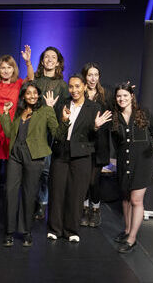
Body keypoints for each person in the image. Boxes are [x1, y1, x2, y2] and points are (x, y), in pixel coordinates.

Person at [47, 74, 111, 243]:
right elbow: (54, 130)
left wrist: (96, 128)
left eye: (77, 86)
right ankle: (55, 228)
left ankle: (71, 230)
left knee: (76, 194)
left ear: (84, 87)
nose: (74, 90)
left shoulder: (93, 107)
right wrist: (59, 117)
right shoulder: (62, 103)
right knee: (57, 191)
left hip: (82, 154)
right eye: (71, 86)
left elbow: (94, 138)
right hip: (61, 151)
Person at [0, 83, 58, 247]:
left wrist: (59, 115)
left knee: (29, 193)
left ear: (38, 95)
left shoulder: (45, 111)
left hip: (34, 156)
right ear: (23, 96)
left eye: (35, 93)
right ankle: (9, 232)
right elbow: (10, 133)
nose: (32, 96)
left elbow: (56, 132)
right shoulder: (19, 111)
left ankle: (26, 232)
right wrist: (5, 113)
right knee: (10, 192)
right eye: (28, 93)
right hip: (15, 155)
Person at [0, 46, 34, 217]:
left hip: (12, 133)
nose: (6, 70)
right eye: (3, 67)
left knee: (11, 172)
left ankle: (8, 203)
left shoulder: (18, 84)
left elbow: (31, 79)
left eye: (9, 67)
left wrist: (28, 62)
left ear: (13, 69)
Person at [109, 83, 153, 253]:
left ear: (131, 96)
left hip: (143, 163)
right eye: (119, 96)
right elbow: (116, 144)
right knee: (125, 198)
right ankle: (127, 230)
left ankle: (132, 239)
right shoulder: (114, 117)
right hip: (125, 163)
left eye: (125, 95)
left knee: (136, 200)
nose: (122, 99)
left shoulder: (143, 112)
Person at [33, 46, 70, 220]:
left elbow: (64, 109)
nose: (49, 59)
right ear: (42, 61)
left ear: (58, 62)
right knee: (33, 169)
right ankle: (31, 201)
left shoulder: (62, 85)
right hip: (34, 132)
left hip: (50, 133)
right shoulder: (34, 81)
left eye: (53, 57)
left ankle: (42, 203)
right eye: (46, 56)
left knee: (46, 170)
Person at [80, 62, 113, 227]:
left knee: (93, 180)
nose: (93, 78)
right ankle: (84, 210)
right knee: (84, 180)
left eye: (96, 75)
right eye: (89, 75)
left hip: (99, 144)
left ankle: (95, 210)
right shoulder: (80, 94)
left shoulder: (105, 95)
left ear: (99, 77)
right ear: (84, 76)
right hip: (83, 143)